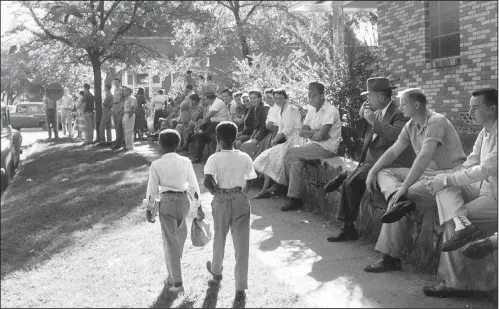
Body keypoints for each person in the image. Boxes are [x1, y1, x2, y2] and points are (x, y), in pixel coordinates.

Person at [363, 88, 467, 273]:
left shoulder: (436, 121)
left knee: (401, 198)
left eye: (404, 104)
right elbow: (394, 151)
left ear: (417, 105)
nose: (400, 107)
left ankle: (389, 258)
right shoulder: (410, 125)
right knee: (384, 173)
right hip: (424, 174)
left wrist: (405, 187)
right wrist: (372, 170)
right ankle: (397, 197)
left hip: (445, 176)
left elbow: (423, 157)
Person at [421, 88, 497, 297]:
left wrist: (445, 179)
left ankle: (456, 283)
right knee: (446, 191)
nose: (470, 112)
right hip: (486, 188)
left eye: (475, 108)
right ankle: (462, 225)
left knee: (452, 221)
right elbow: (471, 161)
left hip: (496, 198)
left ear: (492, 108)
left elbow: (486, 168)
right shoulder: (485, 132)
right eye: (470, 107)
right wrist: (441, 180)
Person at [325, 77, 415, 242]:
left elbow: (397, 137)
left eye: (370, 96)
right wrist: (362, 118)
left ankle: (348, 228)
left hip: (392, 163)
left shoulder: (399, 112)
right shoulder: (377, 112)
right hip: (371, 161)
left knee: (350, 183)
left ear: (381, 97)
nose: (367, 100)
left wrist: (374, 121)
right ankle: (348, 224)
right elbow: (362, 136)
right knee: (354, 178)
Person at [203, 121, 257, 304]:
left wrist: (217, 193)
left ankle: (216, 272)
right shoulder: (245, 157)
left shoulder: (214, 158)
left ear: (218, 139)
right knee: (242, 244)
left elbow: (208, 181)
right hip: (240, 198)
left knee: (219, 236)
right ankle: (240, 287)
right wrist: (242, 193)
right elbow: (251, 179)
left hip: (221, 199)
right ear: (236, 138)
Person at [145, 129, 202, 299]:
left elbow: (152, 189)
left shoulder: (156, 165)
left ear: (161, 145)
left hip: (167, 202)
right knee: (179, 238)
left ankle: (177, 282)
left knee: (170, 242)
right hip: (183, 201)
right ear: (178, 144)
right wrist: (198, 205)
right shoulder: (185, 161)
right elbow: (193, 184)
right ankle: (173, 272)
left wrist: (149, 208)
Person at [279, 82, 342, 212]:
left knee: (290, 152)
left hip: (327, 149)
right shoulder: (312, 110)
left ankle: (280, 187)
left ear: (322, 95)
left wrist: (316, 134)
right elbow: (302, 132)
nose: (310, 99)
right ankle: (294, 198)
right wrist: (317, 133)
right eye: (309, 96)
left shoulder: (331, 111)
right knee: (295, 163)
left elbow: (320, 137)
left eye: (314, 96)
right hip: (314, 146)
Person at [253, 89, 306, 199]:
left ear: (285, 98)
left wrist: (276, 139)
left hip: (297, 140)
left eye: (280, 98)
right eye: (276, 98)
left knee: (274, 156)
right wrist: (275, 139)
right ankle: (266, 189)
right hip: (288, 140)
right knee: (268, 156)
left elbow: (289, 128)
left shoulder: (290, 109)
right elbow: (280, 129)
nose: (277, 101)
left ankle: (272, 188)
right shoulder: (280, 110)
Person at [191, 92, 230, 163]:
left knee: (207, 134)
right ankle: (197, 157)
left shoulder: (217, 102)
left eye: (206, 99)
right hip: (213, 125)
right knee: (200, 136)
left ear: (209, 99)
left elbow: (208, 116)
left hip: (221, 125)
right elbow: (207, 118)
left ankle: (220, 157)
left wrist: (198, 126)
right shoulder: (212, 104)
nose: (205, 101)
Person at [239, 90, 270, 158]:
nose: (252, 100)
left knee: (245, 145)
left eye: (254, 98)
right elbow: (256, 127)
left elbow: (263, 126)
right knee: (244, 145)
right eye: (251, 98)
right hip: (257, 133)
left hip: (265, 134)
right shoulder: (255, 108)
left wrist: (256, 138)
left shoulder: (264, 107)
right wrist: (252, 137)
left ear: (260, 98)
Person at [252, 89, 280, 159]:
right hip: (271, 131)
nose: (269, 99)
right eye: (267, 98)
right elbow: (266, 125)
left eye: (271, 97)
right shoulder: (271, 108)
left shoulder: (276, 107)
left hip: (276, 132)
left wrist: (257, 137)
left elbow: (268, 125)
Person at [122, 86, 137, 151]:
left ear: (129, 91)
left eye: (125, 91)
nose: (124, 92)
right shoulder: (127, 98)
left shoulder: (132, 98)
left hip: (129, 114)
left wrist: (129, 116)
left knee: (129, 131)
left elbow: (132, 108)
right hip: (125, 114)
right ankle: (127, 144)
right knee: (126, 131)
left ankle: (129, 146)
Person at [111, 78, 125, 149]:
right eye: (114, 82)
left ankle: (120, 141)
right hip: (114, 105)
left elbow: (123, 99)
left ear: (119, 82)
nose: (115, 83)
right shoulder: (114, 89)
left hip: (119, 105)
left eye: (117, 82)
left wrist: (121, 107)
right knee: (116, 124)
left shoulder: (121, 89)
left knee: (119, 124)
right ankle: (117, 140)